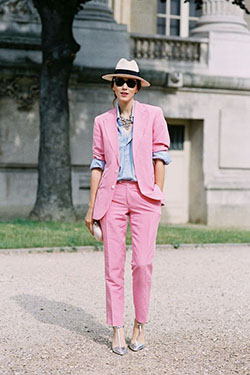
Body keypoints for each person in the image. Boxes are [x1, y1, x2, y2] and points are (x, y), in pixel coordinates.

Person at [85, 58, 171, 355]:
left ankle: (140, 325)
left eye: (130, 82)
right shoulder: (101, 122)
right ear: (113, 85)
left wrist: (158, 191)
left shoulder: (154, 115)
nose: (124, 86)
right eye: (120, 81)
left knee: (143, 263)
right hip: (112, 197)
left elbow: (160, 156)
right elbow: (98, 164)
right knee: (113, 266)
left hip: (145, 197)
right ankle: (117, 329)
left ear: (138, 88)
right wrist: (91, 208)